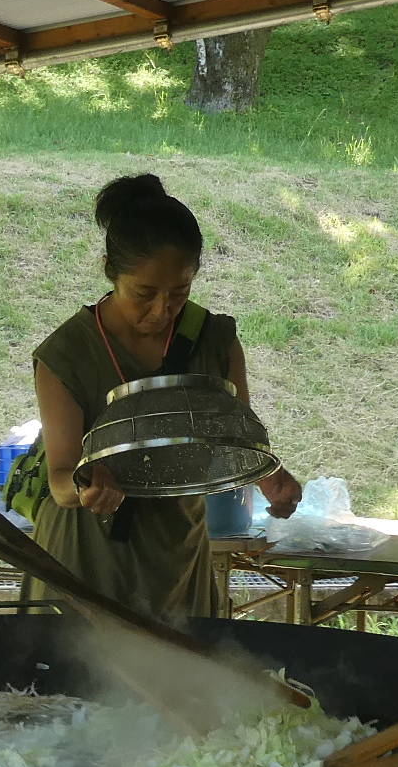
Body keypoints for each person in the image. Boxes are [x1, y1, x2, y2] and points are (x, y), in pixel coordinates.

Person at [20, 173, 301, 619]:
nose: (161, 311)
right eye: (144, 294)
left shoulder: (214, 340)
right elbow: (59, 477)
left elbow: (234, 435)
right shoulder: (67, 353)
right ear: (110, 267)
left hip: (177, 553)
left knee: (185, 680)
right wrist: (85, 485)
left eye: (180, 293)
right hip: (85, 558)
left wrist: (269, 475)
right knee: (74, 684)